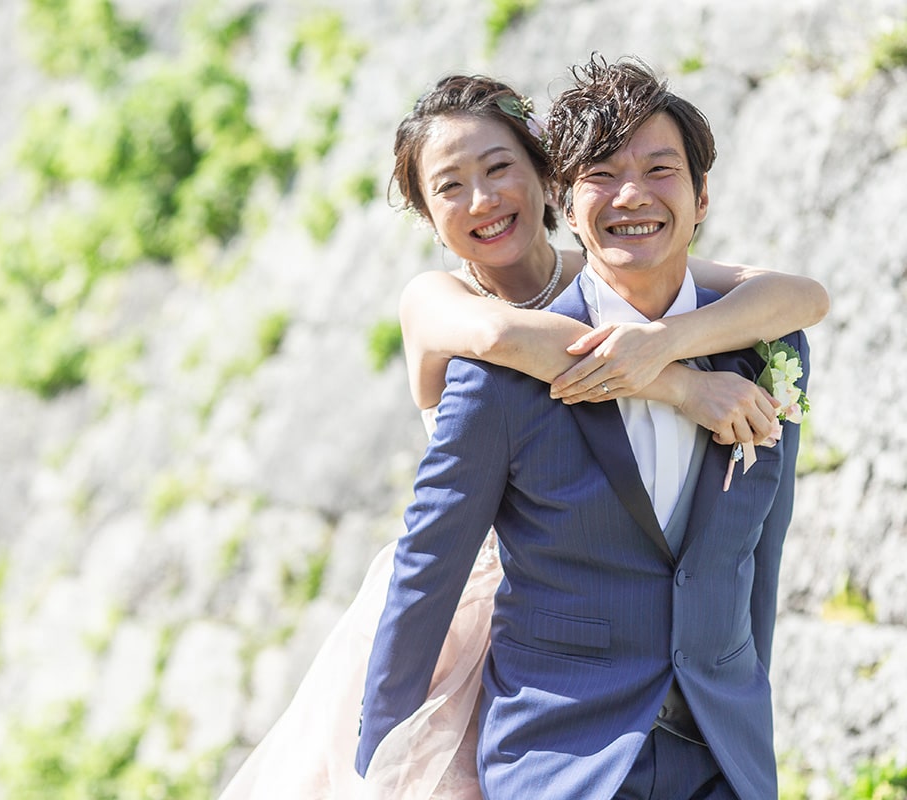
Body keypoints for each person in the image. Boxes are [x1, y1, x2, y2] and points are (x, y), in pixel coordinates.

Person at [220, 65, 826, 799]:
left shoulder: (734, 331)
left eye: (500, 167)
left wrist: (668, 341)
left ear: (545, 182)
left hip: (704, 723)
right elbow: (505, 335)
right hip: (518, 656)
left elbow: (799, 298)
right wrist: (680, 382)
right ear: (423, 211)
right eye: (449, 185)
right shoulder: (453, 316)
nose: (483, 198)